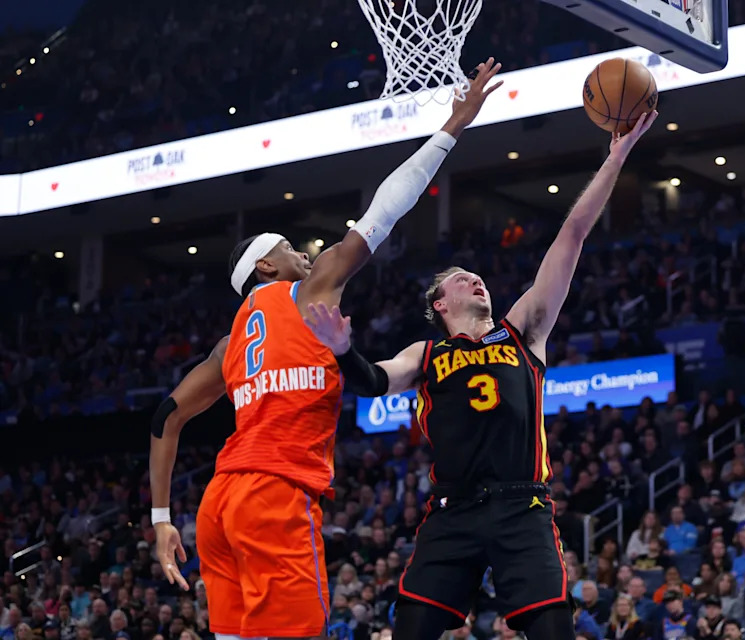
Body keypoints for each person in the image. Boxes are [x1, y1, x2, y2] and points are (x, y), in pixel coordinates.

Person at [147, 60, 503, 640]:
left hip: (218, 503)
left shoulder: (229, 342)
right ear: (266, 266)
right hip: (274, 493)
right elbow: (383, 213)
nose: (305, 254)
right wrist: (452, 128)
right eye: (290, 247)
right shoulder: (305, 291)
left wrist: (162, 519)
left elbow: (167, 416)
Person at [305, 110, 659, 639]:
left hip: (523, 505)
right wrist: (341, 351)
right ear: (439, 303)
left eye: (478, 277)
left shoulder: (523, 331)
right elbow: (374, 381)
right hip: (453, 512)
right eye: (460, 279)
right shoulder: (425, 354)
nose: (477, 280)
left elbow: (573, 234)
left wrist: (617, 157)